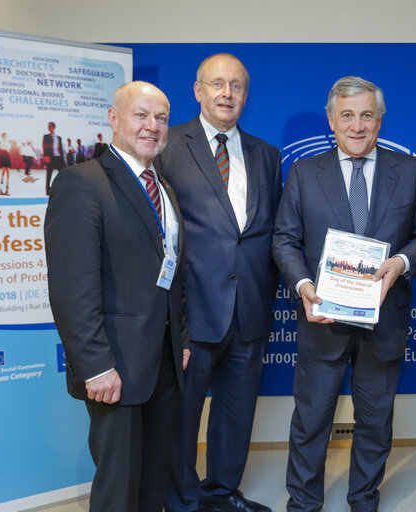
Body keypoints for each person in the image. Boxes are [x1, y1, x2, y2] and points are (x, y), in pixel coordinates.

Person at [272, 76, 416, 512]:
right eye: (347, 115)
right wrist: (304, 286)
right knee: (310, 422)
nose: (357, 125)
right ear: (331, 120)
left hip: (384, 320)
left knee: (375, 422)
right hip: (321, 319)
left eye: (367, 115)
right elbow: (284, 241)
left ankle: (364, 501)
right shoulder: (303, 173)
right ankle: (304, 504)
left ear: (380, 120)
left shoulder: (410, 171)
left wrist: (401, 263)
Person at [45, 81, 191, 512]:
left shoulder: (163, 187)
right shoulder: (81, 183)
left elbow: (171, 272)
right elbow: (72, 286)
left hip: (163, 361)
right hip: (115, 365)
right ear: (114, 119)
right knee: (118, 483)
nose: (152, 126)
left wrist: (179, 338)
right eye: (141, 115)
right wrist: (95, 366)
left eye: (161, 118)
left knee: (152, 477)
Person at [159, 53, 282, 512]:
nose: (226, 94)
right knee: (183, 418)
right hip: (192, 313)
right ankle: (182, 501)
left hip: (249, 310)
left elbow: (272, 233)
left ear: (246, 95)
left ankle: (222, 494)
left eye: (236, 86)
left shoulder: (267, 156)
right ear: (198, 91)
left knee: (236, 414)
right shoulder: (168, 145)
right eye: (217, 84)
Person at [43, 122, 65, 195]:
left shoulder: (59, 138)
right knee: (49, 175)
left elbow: (61, 149)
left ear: (54, 127)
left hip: (59, 158)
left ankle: (62, 188)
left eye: (50, 126)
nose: (49, 128)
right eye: (48, 126)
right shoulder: (46, 136)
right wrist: (46, 156)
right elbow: (44, 147)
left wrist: (63, 160)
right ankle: (47, 191)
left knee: (63, 174)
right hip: (51, 158)